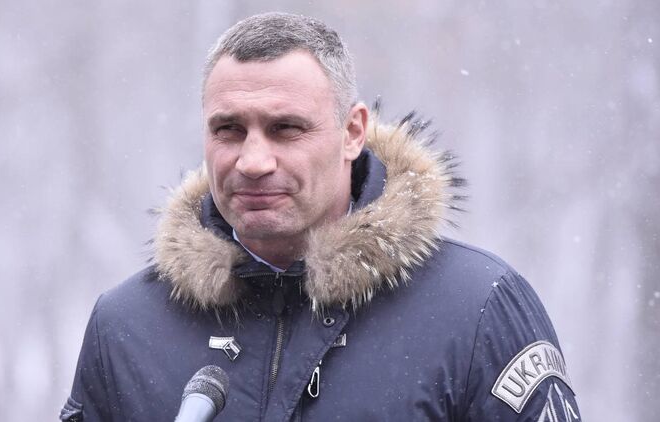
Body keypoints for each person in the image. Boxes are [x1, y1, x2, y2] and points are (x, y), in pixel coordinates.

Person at [61, 12, 580, 421]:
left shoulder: (477, 309)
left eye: (286, 129)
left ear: (352, 132)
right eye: (229, 130)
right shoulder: (125, 328)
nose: (253, 161)